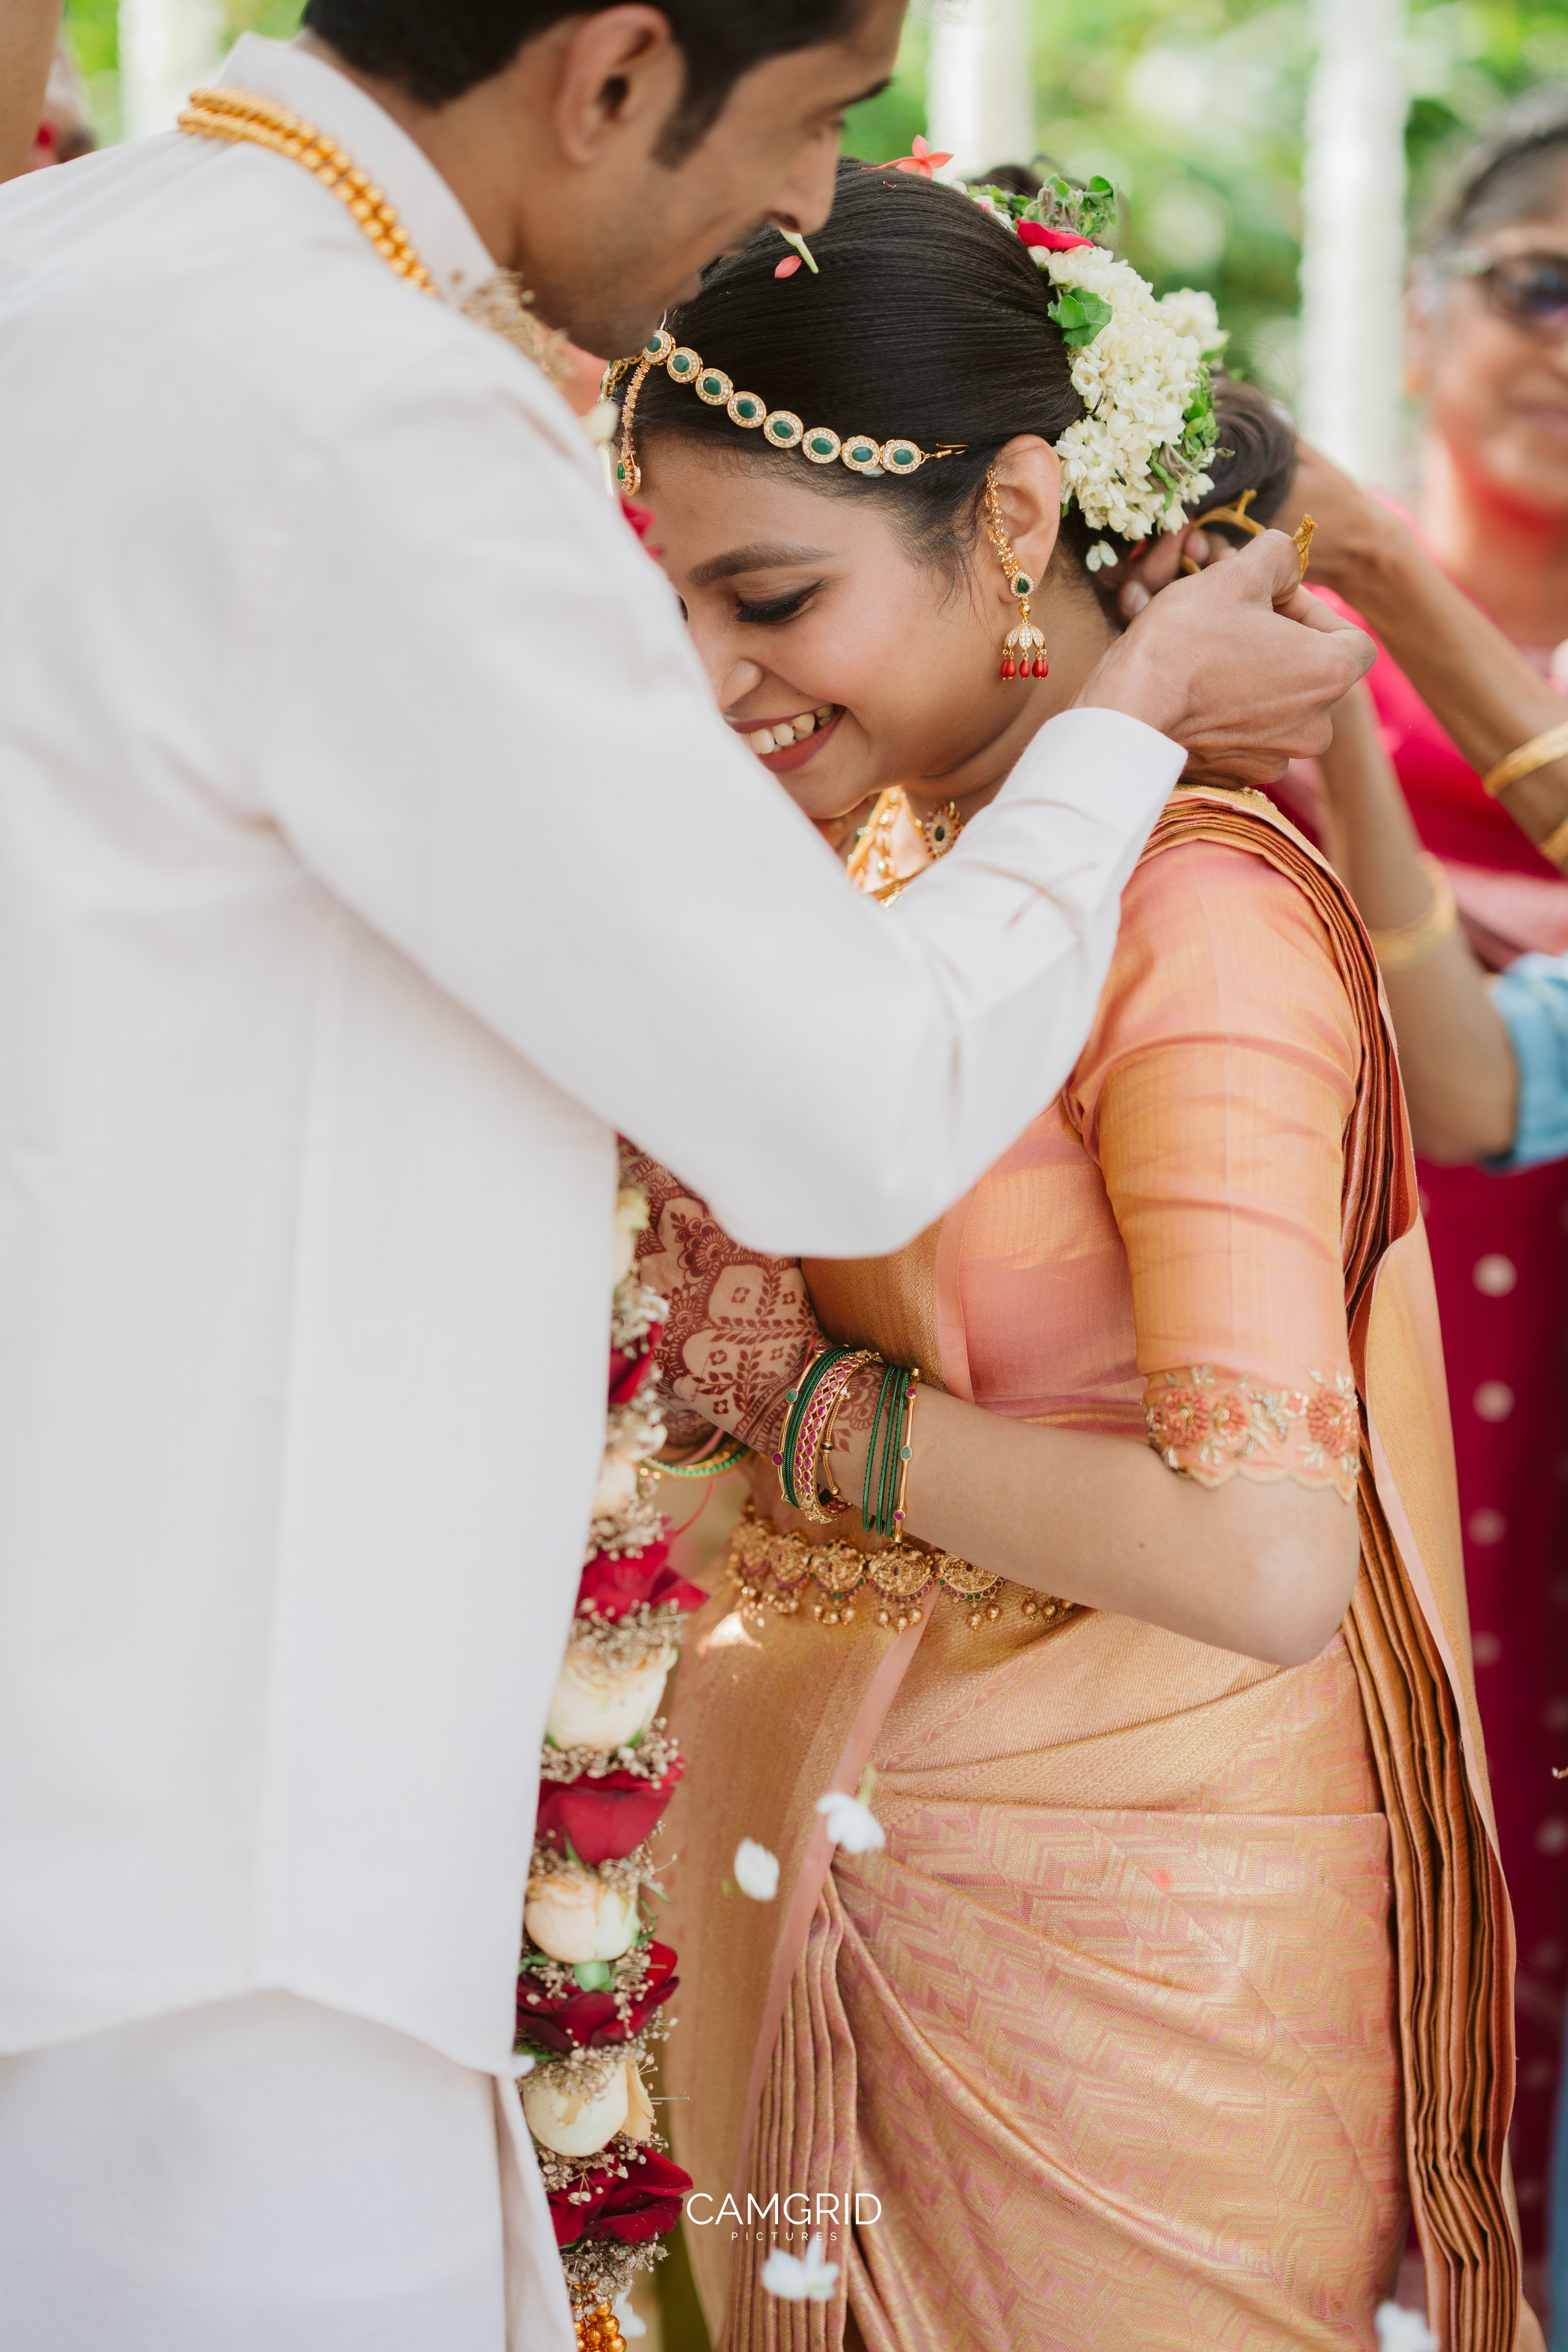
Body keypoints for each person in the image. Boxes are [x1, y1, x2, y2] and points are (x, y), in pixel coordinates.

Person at [0, 4, 1371, 2348]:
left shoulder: (67, 271)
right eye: (817, 116)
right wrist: (1123, 735)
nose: (813, 206)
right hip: (241, 1817)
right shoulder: (382, 416)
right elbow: (836, 1102)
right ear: (615, 69)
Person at [616, 165, 1528, 2352]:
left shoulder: (1193, 915)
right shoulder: (891, 864)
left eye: (768, 595)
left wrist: (801, 1405)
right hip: (812, 1877)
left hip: (1130, 1975)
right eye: (669, 606)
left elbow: (1265, 1563)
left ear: (1016, 518)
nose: (709, 674)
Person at [1119, 88, 1568, 2262]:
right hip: (1356, 1292)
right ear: (1422, 317)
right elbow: (1463, 1089)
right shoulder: (1229, 702)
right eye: (1536, 282)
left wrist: (1373, 564)